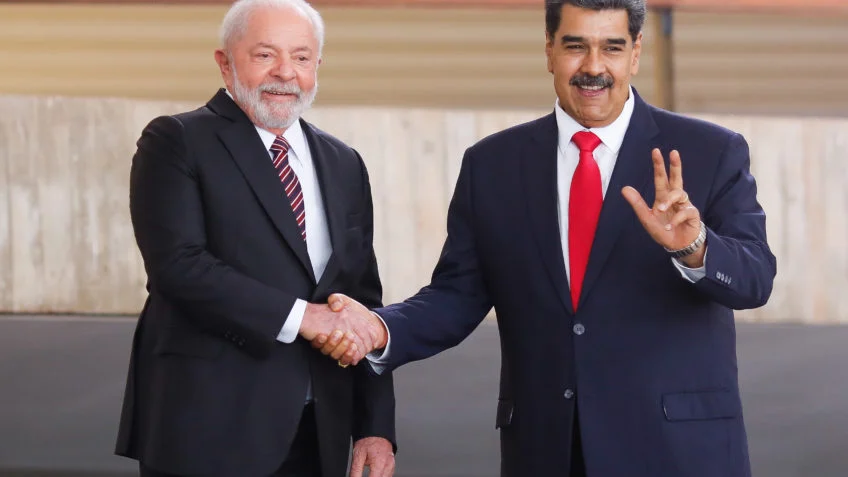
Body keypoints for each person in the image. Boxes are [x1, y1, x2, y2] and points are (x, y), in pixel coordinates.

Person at [312, 1, 776, 476]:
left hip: (677, 452)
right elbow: (456, 295)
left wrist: (694, 247)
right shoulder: (492, 165)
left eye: (611, 48)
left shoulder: (710, 151)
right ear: (550, 50)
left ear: (635, 53)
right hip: (548, 448)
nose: (593, 67)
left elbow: (756, 278)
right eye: (576, 46)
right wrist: (380, 329)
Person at [114, 1, 396, 476]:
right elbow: (179, 267)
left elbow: (363, 299)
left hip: (319, 431)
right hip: (209, 428)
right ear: (225, 63)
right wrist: (304, 317)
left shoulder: (344, 162)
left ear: (317, 65)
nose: (285, 72)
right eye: (265, 55)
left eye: (301, 57)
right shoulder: (176, 141)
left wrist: (375, 425)